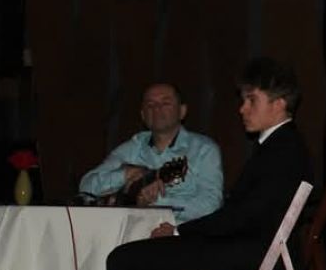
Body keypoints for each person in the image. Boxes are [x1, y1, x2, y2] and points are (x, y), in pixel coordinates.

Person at [105, 58, 313, 270]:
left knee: (124, 260)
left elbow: (243, 217)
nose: (242, 109)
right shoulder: (281, 145)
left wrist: (179, 231)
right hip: (250, 250)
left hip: (252, 256)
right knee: (130, 258)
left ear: (279, 104)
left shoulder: (282, 151)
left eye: (251, 100)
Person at [79, 83, 223, 224]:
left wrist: (158, 202)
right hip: (133, 231)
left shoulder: (203, 149)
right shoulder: (132, 148)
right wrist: (125, 174)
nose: (157, 109)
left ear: (182, 111)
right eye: (150, 104)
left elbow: (211, 205)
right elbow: (86, 187)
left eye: (165, 103)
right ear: (143, 115)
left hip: (184, 232)